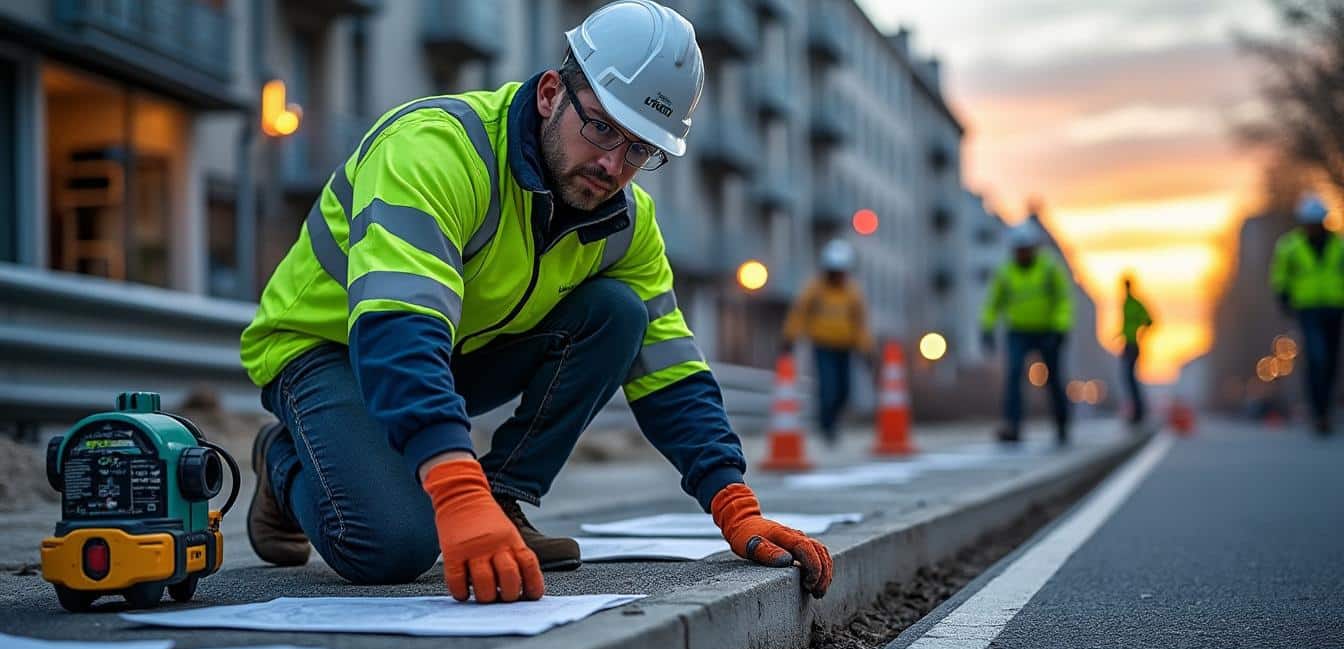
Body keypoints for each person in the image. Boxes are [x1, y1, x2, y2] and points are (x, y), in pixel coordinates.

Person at [238, 0, 833, 604]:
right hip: (326, 347)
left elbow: (670, 367)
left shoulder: (628, 224)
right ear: (551, 94)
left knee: (619, 313)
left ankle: (502, 497)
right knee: (392, 545)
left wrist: (733, 503)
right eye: (602, 127)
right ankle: (284, 459)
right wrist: (453, 489)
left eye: (639, 150)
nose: (612, 164)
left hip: (448, 351)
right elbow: (399, 326)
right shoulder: (436, 149)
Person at [980, 221, 1073, 445]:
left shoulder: (1050, 269)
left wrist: (1061, 328)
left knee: (1054, 378)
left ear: (1034, 248)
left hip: (1047, 331)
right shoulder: (1005, 272)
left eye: (1025, 249)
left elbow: (1063, 300)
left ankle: (1062, 424)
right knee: (1013, 375)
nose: (1021, 254)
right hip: (1018, 331)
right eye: (1018, 250)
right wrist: (987, 327)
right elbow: (994, 303)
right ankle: (1012, 426)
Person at [781, 239, 875, 445]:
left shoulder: (853, 293)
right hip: (822, 345)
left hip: (846, 346)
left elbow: (860, 323)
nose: (837, 275)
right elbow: (799, 313)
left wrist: (866, 349)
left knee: (844, 390)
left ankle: (833, 420)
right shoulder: (814, 290)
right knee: (828, 387)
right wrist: (790, 337)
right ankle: (826, 425)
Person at [1271, 195, 1343, 435]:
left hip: (1335, 307)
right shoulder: (1289, 246)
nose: (1312, 228)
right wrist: (1283, 296)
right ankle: (1318, 411)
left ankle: (1326, 409)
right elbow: (1281, 275)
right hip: (1307, 308)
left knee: (1331, 360)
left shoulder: (1339, 245)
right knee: (1317, 357)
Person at [1119, 275, 1153, 425]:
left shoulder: (1133, 303)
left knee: (1130, 378)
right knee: (1128, 378)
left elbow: (1150, 320)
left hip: (1133, 345)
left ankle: (1139, 412)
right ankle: (1137, 412)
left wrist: (1140, 335)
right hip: (1127, 344)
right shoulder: (1126, 303)